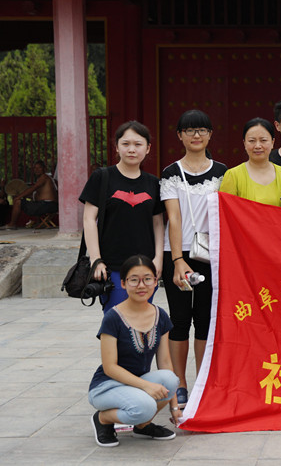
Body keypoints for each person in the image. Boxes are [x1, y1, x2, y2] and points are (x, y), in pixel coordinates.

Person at [159, 110, 227, 410]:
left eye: (201, 130)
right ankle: (180, 383)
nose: (196, 135)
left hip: (210, 255)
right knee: (179, 319)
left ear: (210, 134)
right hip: (179, 254)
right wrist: (177, 260)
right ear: (180, 136)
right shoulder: (170, 173)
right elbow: (173, 218)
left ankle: (202, 381)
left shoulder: (223, 172)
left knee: (205, 319)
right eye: (189, 130)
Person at [88, 255, 180, 447]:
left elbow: (165, 362)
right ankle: (103, 419)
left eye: (147, 279)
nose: (141, 285)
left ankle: (142, 425)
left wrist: (174, 406)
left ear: (156, 281)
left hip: (136, 384)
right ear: (123, 283)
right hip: (107, 386)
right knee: (144, 406)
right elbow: (110, 367)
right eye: (134, 280)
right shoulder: (113, 317)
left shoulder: (160, 315)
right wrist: (146, 386)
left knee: (170, 379)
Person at [80, 121, 165, 312]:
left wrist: (158, 258)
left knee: (143, 318)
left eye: (138, 144)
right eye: (125, 144)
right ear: (117, 147)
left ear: (148, 148)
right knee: (116, 318)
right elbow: (89, 219)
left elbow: (158, 224)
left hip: (146, 266)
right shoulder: (102, 177)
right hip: (112, 266)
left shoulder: (153, 183)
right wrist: (96, 259)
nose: (131, 149)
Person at [220, 118, 281, 205]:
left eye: (263, 140)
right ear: (244, 143)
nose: (257, 146)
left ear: (272, 142)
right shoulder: (233, 176)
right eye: (252, 141)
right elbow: (226, 209)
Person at [0, 160, 58, 230]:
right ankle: (39, 223)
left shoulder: (44, 177)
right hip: (49, 205)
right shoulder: (45, 178)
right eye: (35, 168)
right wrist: (24, 196)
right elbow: (37, 195)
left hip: (47, 205)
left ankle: (12, 224)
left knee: (18, 202)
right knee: (31, 202)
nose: (37, 170)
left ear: (44, 169)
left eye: (39, 167)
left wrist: (18, 197)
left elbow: (33, 188)